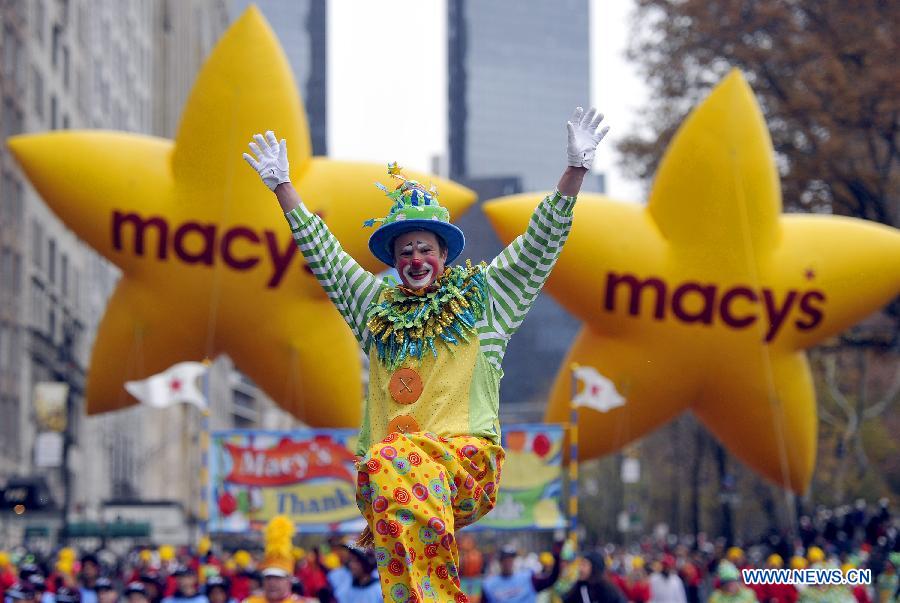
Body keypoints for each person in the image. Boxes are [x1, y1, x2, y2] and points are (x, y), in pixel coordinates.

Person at [243, 106, 608, 603]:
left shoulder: (485, 303)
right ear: (395, 262)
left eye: (425, 249)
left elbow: (537, 246)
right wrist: (284, 190)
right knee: (381, 469)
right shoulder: (374, 311)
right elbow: (324, 257)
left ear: (444, 256)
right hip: (398, 477)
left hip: (465, 465)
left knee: (391, 459)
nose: (416, 260)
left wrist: (575, 172)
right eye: (406, 252)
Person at [481, 544, 561, 603]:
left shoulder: (527, 578)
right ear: (500, 562)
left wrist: (557, 557)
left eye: (510, 559)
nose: (508, 562)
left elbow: (551, 580)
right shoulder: (489, 585)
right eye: (505, 559)